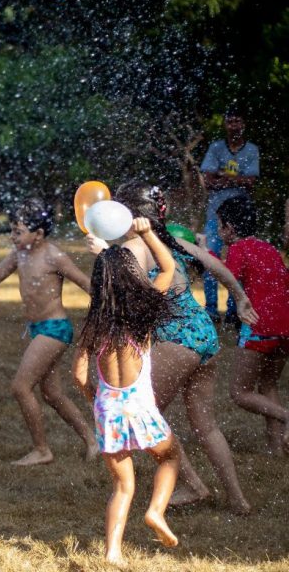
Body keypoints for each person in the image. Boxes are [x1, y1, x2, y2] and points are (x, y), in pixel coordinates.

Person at [109, 181, 256, 514]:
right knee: (206, 425)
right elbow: (216, 266)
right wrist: (241, 297)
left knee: (145, 414)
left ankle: (193, 485)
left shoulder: (134, 247)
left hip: (177, 338)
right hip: (204, 334)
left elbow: (136, 298)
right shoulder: (171, 241)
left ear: (131, 216)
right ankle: (237, 499)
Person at [72, 217, 180, 567]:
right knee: (169, 456)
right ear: (132, 279)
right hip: (140, 408)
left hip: (108, 410)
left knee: (122, 487)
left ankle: (112, 553)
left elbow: (78, 375)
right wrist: (148, 234)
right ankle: (155, 512)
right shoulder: (142, 318)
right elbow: (168, 267)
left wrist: (94, 398)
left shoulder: (94, 326)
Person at [0, 198, 97, 465]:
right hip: (38, 329)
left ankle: (42, 450)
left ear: (38, 234)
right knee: (52, 394)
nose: (12, 237)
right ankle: (93, 441)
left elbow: (86, 284)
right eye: (12, 230)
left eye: (18, 231)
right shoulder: (19, 254)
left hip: (55, 328)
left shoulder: (54, 256)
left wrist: (101, 317)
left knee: (20, 387)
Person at [216, 196, 289, 455]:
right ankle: (278, 448)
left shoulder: (238, 249)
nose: (218, 230)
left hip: (260, 326)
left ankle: (285, 416)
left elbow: (227, 277)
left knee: (240, 392)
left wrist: (208, 255)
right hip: (285, 327)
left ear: (231, 228)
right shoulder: (269, 248)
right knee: (267, 385)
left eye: (220, 225)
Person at [200, 108, 259, 323]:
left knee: (240, 263)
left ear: (244, 124)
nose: (234, 125)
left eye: (238, 121)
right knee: (209, 258)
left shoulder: (251, 149)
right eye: (230, 121)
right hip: (216, 214)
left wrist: (222, 176)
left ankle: (235, 310)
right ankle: (211, 309)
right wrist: (238, 178)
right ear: (225, 125)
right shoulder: (216, 148)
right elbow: (207, 181)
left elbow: (251, 182)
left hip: (241, 215)